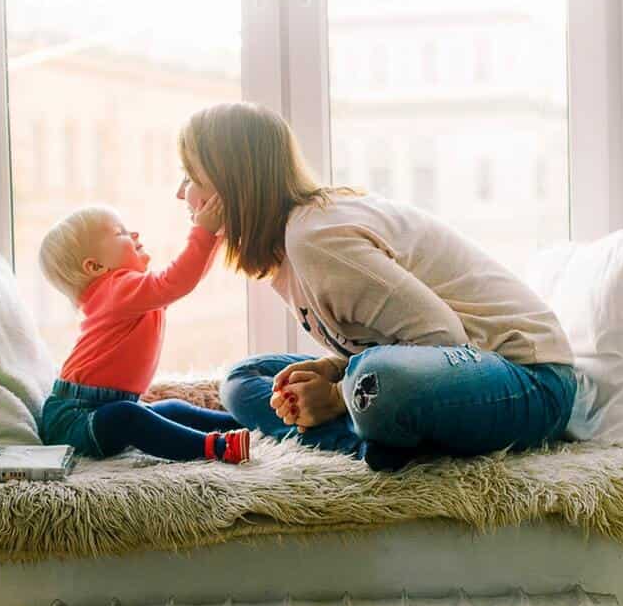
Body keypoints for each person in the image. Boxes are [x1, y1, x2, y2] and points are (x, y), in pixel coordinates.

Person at [175, 102, 577, 471]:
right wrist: (335, 371)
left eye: (192, 177)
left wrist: (334, 395)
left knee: (376, 380)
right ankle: (373, 442)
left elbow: (444, 338)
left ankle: (367, 433)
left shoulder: (316, 239)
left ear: (233, 187)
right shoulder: (287, 250)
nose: (181, 193)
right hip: (445, 372)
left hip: (529, 381)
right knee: (245, 379)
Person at [38, 201, 251, 463]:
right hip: (74, 419)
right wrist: (204, 232)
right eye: (121, 233)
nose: (134, 234)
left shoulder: (127, 292)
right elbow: (176, 281)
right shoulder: (117, 290)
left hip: (103, 407)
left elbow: (184, 281)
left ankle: (244, 423)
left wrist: (215, 238)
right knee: (128, 417)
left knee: (171, 409)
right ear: (94, 267)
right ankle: (215, 447)